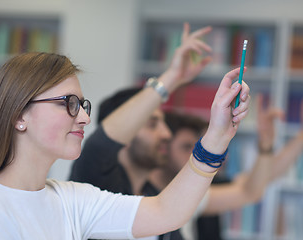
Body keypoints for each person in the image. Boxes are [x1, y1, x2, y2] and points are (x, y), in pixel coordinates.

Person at [0, 29, 250, 240]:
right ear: (18, 116)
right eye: (69, 104)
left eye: (82, 105)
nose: (85, 117)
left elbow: (166, 212)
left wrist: (217, 136)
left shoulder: (70, 199)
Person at [69, 22, 250, 240]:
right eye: (152, 124)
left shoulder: (155, 197)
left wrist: (220, 134)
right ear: (125, 133)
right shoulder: (94, 182)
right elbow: (100, 144)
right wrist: (172, 76)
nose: (166, 134)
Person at [148, 90, 303, 240]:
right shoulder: (140, 199)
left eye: (196, 147)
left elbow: (253, 186)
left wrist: (301, 136)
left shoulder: (196, 191)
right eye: (186, 147)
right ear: (163, 148)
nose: (194, 156)